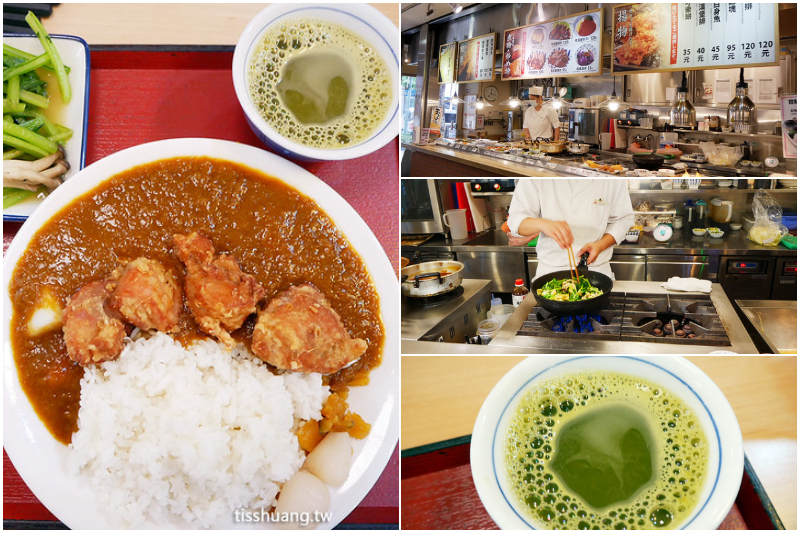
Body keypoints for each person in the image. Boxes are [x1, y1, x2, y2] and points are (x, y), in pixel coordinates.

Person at [506, 180, 634, 280]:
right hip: (550, 271)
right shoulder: (538, 176)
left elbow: (622, 220)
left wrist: (600, 245)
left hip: (596, 271)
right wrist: (542, 224)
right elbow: (515, 220)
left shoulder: (610, 178)